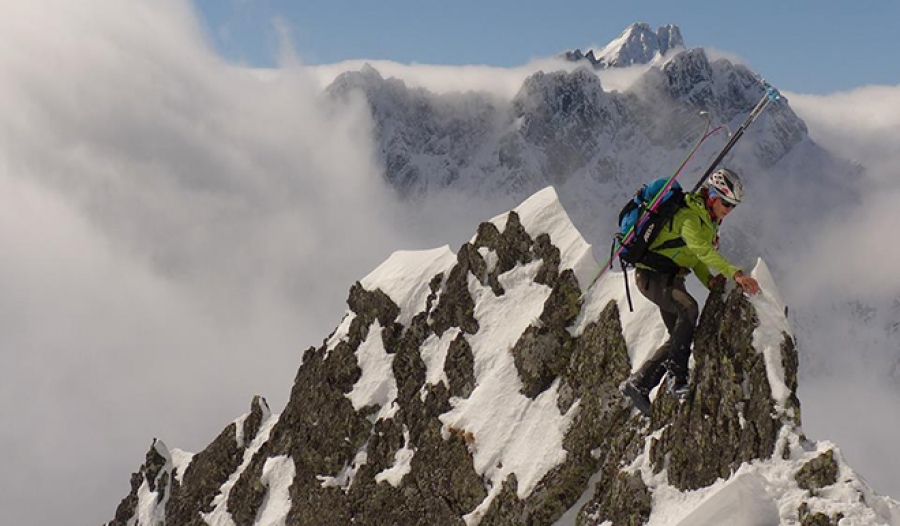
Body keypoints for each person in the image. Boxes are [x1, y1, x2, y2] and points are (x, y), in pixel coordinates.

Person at [622, 168, 760, 410]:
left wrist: (708, 280)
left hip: (669, 279)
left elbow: (693, 258)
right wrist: (735, 274)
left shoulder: (708, 223)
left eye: (733, 206)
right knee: (688, 309)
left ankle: (640, 383)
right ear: (714, 197)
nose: (729, 210)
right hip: (652, 277)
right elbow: (702, 251)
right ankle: (677, 378)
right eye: (726, 203)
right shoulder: (689, 217)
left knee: (681, 337)